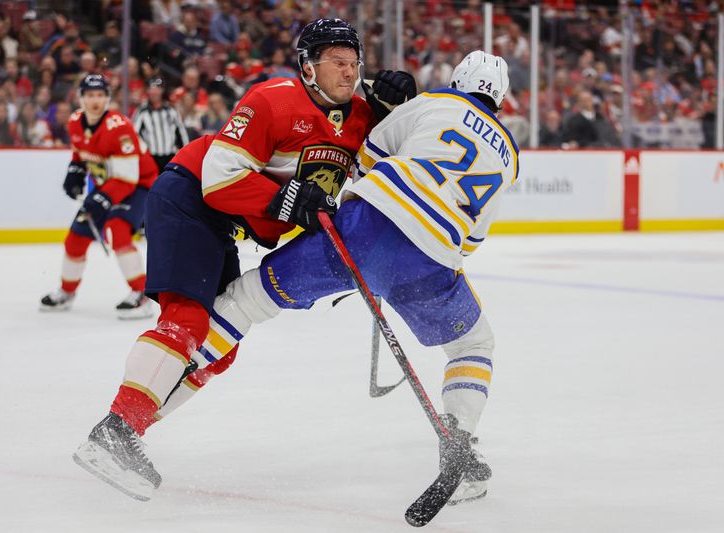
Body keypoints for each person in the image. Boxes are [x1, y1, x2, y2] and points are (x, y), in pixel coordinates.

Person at [72, 18, 417, 500]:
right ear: (308, 67)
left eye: (353, 61)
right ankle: (116, 430)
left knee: (221, 346)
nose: (348, 69)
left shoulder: (361, 115)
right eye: (335, 60)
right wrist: (290, 201)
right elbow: (218, 176)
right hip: (189, 196)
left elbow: (384, 161)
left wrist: (401, 108)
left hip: (223, 222)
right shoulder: (271, 100)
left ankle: (125, 431)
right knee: (188, 318)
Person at [153, 51, 516, 503]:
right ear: (500, 98)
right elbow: (470, 242)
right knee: (472, 345)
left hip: (362, 230)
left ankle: (152, 401)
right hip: (432, 256)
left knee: (247, 299)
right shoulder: (510, 155)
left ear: (458, 79)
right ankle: (459, 446)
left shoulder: (434, 102)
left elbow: (366, 160)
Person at [40, 74, 159, 319]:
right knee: (75, 238)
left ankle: (141, 294)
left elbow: (127, 178)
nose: (96, 100)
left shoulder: (120, 128)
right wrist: (75, 171)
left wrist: (102, 199)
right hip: (110, 186)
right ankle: (67, 291)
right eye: (90, 95)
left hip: (139, 186)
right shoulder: (74, 122)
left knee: (118, 229)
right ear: (81, 98)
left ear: (107, 98)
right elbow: (81, 154)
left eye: (100, 95)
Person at [132, 77, 189, 171]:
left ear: (162, 90)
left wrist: (185, 153)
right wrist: (141, 155)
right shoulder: (142, 112)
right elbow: (135, 134)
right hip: (151, 157)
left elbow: (181, 133)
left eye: (157, 88)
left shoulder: (171, 110)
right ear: (147, 91)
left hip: (170, 156)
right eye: (151, 88)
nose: (154, 92)